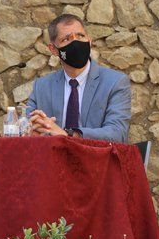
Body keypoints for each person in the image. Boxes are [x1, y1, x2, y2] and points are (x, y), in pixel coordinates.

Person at [27, 14, 131, 143]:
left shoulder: (115, 82)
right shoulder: (41, 87)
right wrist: (33, 129)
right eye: (66, 39)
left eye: (80, 36)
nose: (76, 42)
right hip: (52, 159)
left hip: (96, 160)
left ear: (89, 40)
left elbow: (117, 133)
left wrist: (68, 135)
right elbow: (27, 125)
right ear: (53, 49)